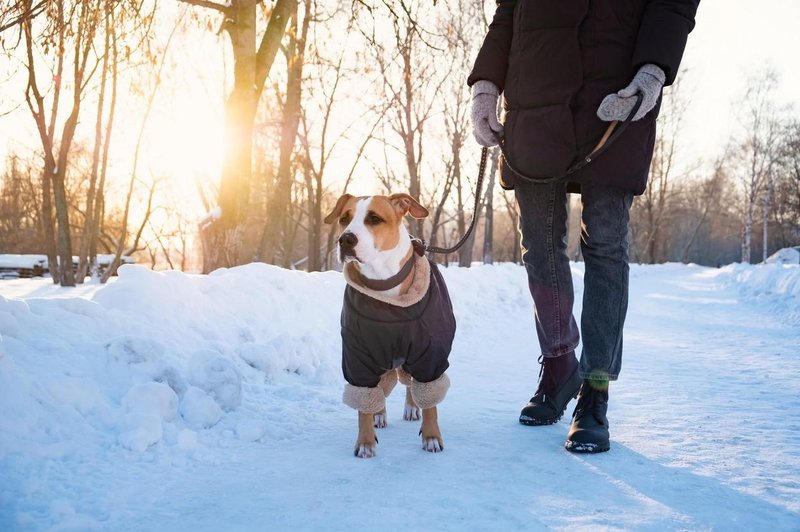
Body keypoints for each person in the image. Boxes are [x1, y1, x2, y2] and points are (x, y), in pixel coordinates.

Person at [468, 1, 699, 453]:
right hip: (535, 89)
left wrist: (653, 70)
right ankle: (559, 365)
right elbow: (508, 11)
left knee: (607, 243)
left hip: (615, 89)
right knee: (538, 242)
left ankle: (595, 387)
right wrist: (485, 84)